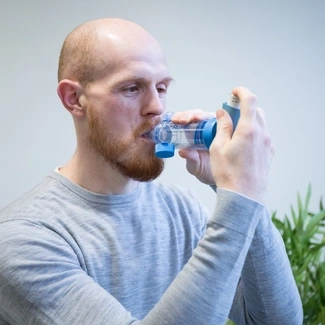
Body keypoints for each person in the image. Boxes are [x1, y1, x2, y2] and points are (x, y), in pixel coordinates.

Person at [0, 18, 302, 325]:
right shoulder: (21, 239)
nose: (156, 107)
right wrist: (239, 198)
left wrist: (241, 191)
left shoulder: (181, 210)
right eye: (132, 88)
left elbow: (276, 320)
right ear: (74, 99)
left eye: (161, 88)